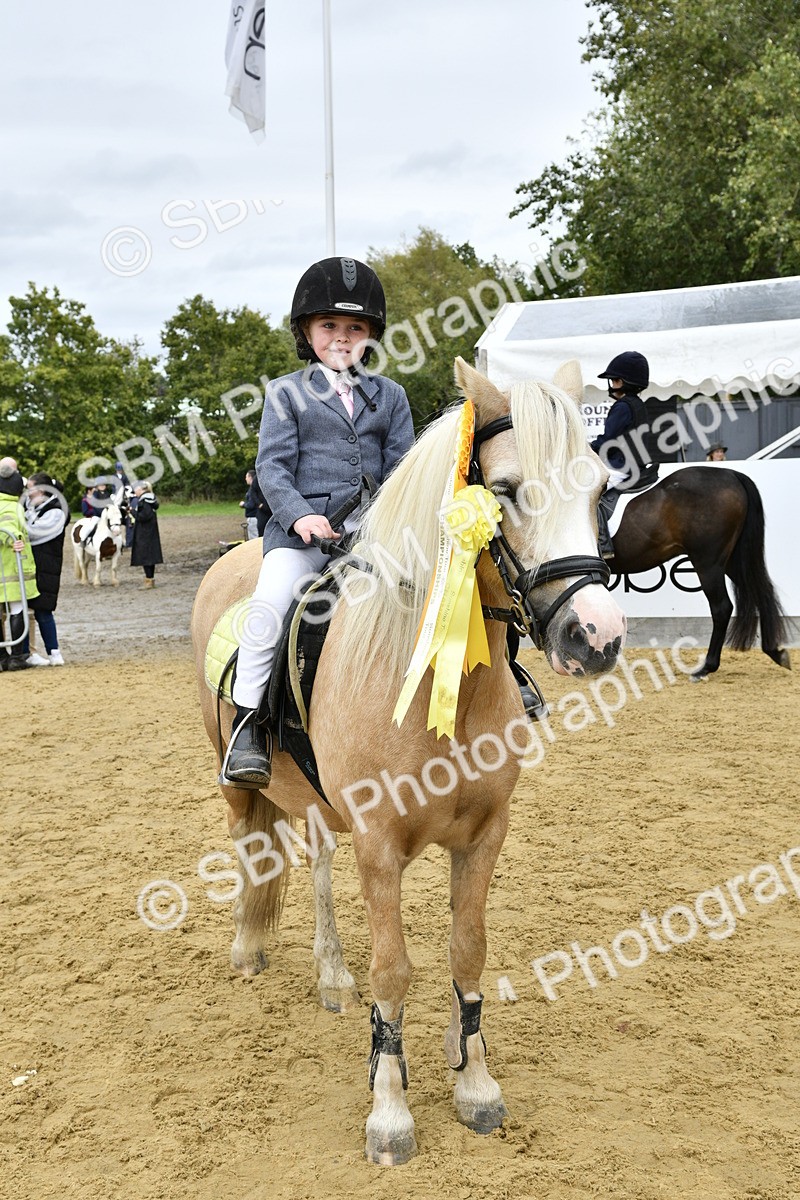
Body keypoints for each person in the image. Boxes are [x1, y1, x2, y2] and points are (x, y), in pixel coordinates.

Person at [222, 256, 415, 787]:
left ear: (371, 335)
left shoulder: (391, 397)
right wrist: (302, 517)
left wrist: (388, 524)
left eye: (355, 328)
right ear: (307, 332)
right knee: (268, 608)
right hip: (302, 538)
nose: (342, 337)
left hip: (371, 539)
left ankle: (506, 675)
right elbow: (272, 468)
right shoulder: (286, 393)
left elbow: (402, 470)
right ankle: (248, 728)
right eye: (329, 325)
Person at [591, 351, 659, 558]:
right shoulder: (637, 404)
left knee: (588, 493)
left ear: (623, 382)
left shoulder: (622, 406)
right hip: (635, 464)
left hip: (620, 466)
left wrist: (586, 449)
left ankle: (604, 545)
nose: (611, 384)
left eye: (614, 380)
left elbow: (608, 441)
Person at [24, 472, 68, 666]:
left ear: (40, 490)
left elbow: (34, 533)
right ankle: (27, 652)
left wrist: (17, 527)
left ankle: (54, 651)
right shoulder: (32, 507)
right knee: (24, 611)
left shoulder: (56, 511)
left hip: (46, 565)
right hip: (32, 564)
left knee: (43, 610)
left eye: (30, 488)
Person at [0, 461, 39, 671]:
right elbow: (5, 527)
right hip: (10, 569)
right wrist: (11, 539)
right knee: (17, 609)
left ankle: (0, 657)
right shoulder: (11, 506)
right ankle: (16, 656)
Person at [130, 482, 163, 588]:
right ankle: (150, 579)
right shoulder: (149, 499)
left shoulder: (145, 501)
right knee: (150, 557)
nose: (135, 491)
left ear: (141, 489)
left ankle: (148, 581)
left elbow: (144, 516)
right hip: (150, 532)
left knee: (146, 557)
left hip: (145, 533)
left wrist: (132, 512)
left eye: (136, 489)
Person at [242, 467, 272, 540]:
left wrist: (243, 504)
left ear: (250, 477)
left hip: (261, 514)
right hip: (260, 513)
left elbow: (251, 504)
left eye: (246, 477)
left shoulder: (271, 476)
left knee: (256, 538)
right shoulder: (256, 481)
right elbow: (253, 493)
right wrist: (259, 504)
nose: (245, 479)